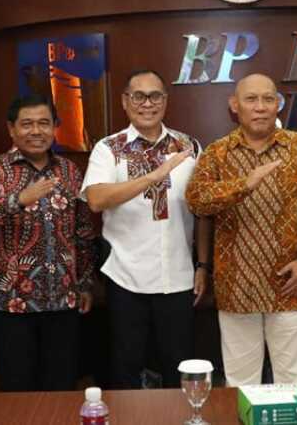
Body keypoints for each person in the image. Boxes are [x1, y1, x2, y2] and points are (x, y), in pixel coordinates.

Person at [186, 73, 297, 386]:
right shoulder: (217, 152)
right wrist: (244, 184)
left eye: (268, 99)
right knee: (240, 386)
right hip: (237, 289)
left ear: (278, 105)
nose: (261, 107)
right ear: (234, 105)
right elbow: (196, 200)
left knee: (294, 385)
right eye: (251, 99)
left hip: (290, 286)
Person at [82, 69, 210, 389]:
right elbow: (96, 199)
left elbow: (204, 210)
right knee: (125, 369)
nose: (147, 104)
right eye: (138, 96)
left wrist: (203, 265)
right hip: (125, 276)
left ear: (165, 101)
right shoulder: (108, 148)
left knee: (178, 369)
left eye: (155, 96)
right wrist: (154, 176)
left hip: (178, 276)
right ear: (125, 102)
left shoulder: (189, 147)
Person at [0, 95, 95, 392]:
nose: (36, 131)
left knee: (61, 389)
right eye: (27, 124)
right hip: (12, 303)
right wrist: (18, 200)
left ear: (55, 127)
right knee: (17, 390)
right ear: (11, 129)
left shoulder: (69, 170)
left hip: (63, 301)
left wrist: (85, 283)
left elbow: (83, 231)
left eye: (44, 123)